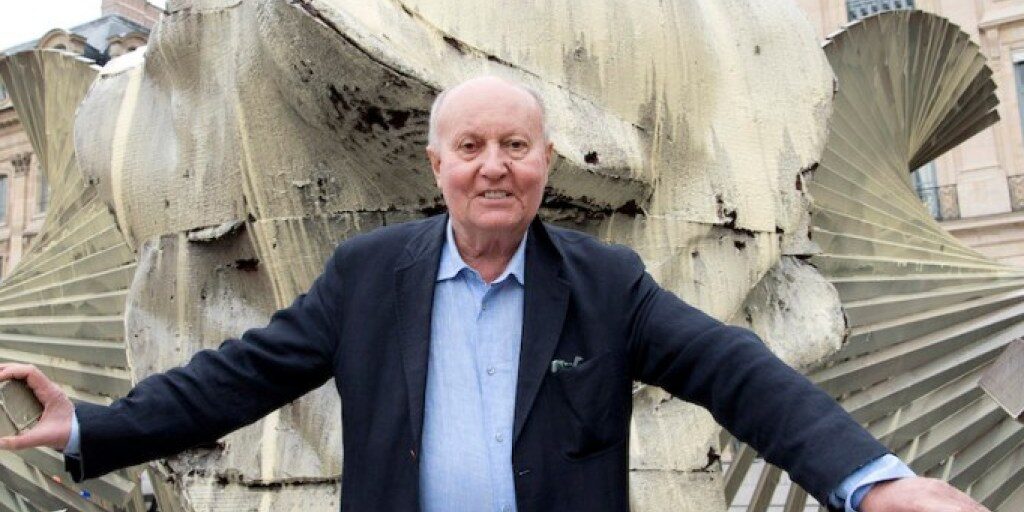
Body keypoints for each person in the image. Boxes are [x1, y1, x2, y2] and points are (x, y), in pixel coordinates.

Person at [0, 76, 988, 512]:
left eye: (515, 145)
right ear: (437, 165)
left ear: (545, 161)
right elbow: (237, 378)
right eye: (470, 146)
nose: (494, 165)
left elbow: (737, 371)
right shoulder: (367, 276)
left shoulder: (603, 284)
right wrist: (92, 425)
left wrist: (872, 481)